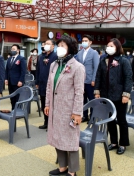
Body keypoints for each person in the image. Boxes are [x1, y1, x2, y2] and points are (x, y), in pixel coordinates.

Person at [45, 35, 85, 176]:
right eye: (59, 45)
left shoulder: (77, 67)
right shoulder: (54, 64)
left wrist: (77, 112)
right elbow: (49, 85)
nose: (59, 48)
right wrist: (47, 103)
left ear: (70, 48)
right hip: (55, 107)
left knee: (71, 139)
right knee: (57, 136)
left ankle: (72, 171)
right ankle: (62, 167)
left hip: (69, 109)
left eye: (63, 45)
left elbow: (79, 92)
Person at [94, 38, 133, 155]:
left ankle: (123, 143)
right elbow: (98, 76)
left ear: (117, 47)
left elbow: (128, 78)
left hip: (120, 95)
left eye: (111, 45)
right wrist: (97, 91)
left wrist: (126, 94)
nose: (109, 47)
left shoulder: (123, 60)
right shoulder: (103, 60)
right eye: (108, 45)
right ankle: (114, 142)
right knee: (110, 120)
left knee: (121, 120)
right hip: (106, 95)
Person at [75, 34, 99, 123]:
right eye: (83, 41)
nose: (84, 42)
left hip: (90, 80)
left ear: (90, 42)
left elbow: (96, 67)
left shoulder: (94, 53)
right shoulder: (79, 53)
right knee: (82, 99)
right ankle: (84, 115)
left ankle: (92, 116)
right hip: (81, 80)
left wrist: (94, 79)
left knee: (91, 99)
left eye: (86, 41)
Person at [36, 39, 58, 129]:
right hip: (42, 84)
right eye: (45, 44)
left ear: (53, 46)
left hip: (51, 85)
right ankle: (46, 122)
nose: (46, 45)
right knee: (44, 103)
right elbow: (38, 70)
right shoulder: (41, 56)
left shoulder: (56, 56)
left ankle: (52, 124)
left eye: (48, 44)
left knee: (51, 105)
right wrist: (37, 82)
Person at [4, 44, 27, 111]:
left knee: (18, 97)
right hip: (10, 81)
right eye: (12, 49)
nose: (12, 50)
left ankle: (18, 111)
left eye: (14, 49)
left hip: (17, 82)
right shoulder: (9, 59)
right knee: (12, 97)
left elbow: (23, 71)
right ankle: (13, 109)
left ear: (18, 50)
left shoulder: (21, 59)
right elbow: (7, 70)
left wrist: (21, 80)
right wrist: (6, 79)